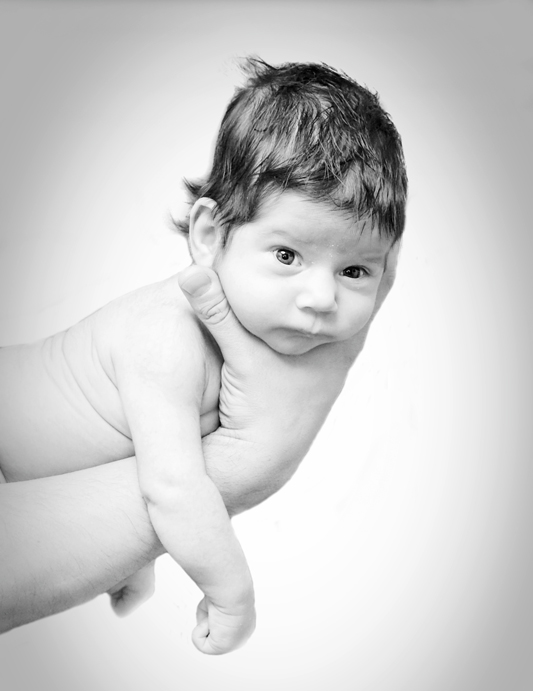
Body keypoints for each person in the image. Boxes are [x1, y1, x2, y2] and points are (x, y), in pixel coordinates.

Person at [0, 58, 407, 654]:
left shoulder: (257, 349)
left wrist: (125, 560)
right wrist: (231, 592)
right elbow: (171, 489)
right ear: (210, 236)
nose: (321, 298)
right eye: (288, 256)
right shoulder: (169, 338)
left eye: (354, 270)